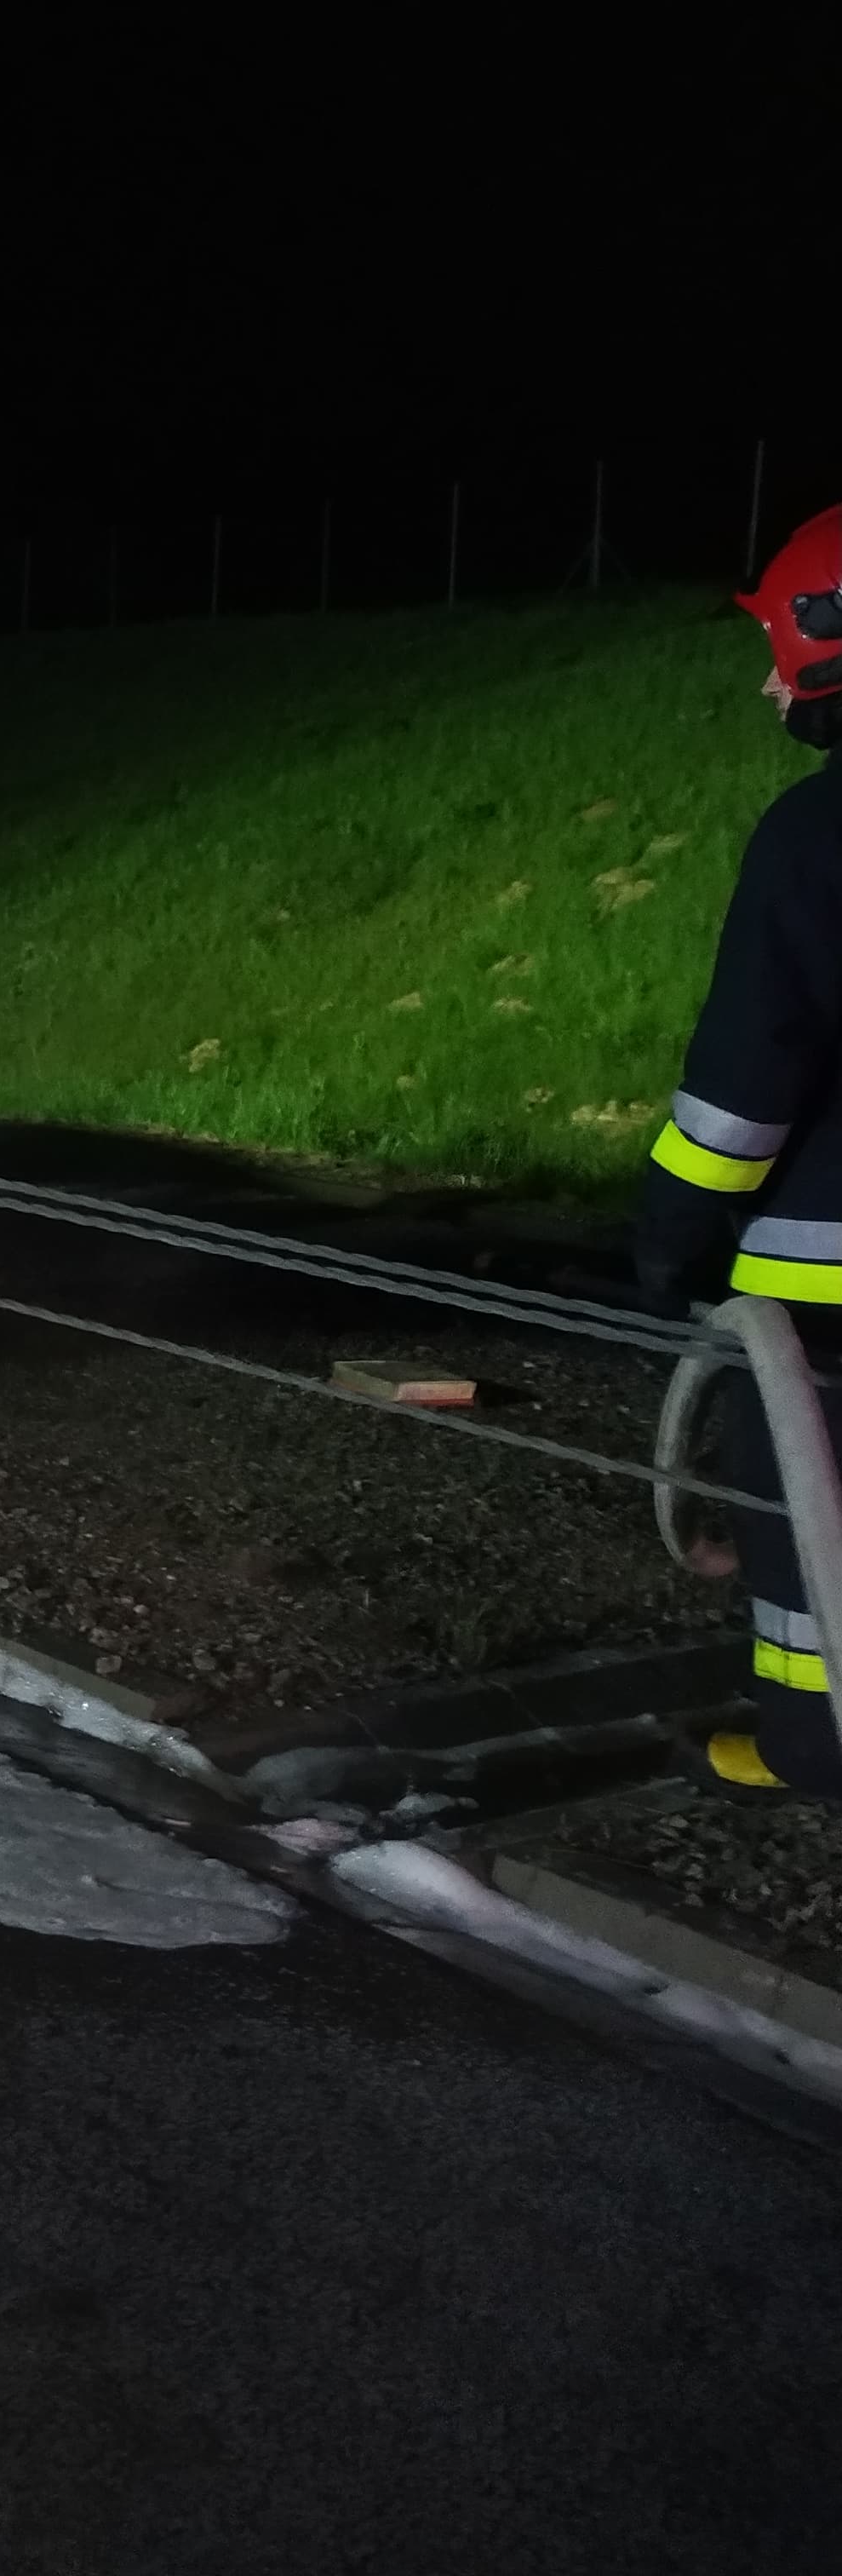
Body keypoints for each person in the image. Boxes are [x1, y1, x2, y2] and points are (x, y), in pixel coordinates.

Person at [634, 502, 842, 1802]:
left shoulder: (816, 836)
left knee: (805, 1523)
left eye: (779, 643)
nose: (770, 676)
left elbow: (748, 1078)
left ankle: (814, 1749)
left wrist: (671, 1228)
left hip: (826, 1285)